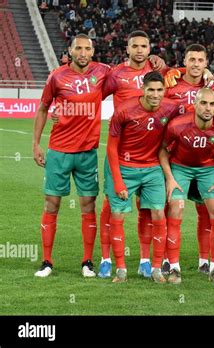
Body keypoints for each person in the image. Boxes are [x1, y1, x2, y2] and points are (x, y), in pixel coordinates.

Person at [32, 34, 110, 278]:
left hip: (87, 153)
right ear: (70, 51)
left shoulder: (103, 71)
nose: (83, 53)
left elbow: (132, 72)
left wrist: (157, 62)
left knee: (88, 205)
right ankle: (47, 261)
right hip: (58, 151)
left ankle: (87, 261)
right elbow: (44, 108)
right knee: (52, 204)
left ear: (93, 51)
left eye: (87, 48)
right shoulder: (57, 76)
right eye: (79, 48)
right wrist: (36, 144)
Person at [98, 30, 167, 279]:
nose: (139, 50)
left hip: (149, 155)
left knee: (147, 211)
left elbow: (180, 90)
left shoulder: (159, 71)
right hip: (121, 153)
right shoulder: (115, 74)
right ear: (127, 49)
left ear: (150, 49)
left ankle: (146, 261)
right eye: (134, 46)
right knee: (110, 208)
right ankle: (107, 259)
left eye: (144, 45)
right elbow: (95, 96)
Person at [105, 71, 180, 283]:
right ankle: (120, 269)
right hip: (125, 168)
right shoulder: (124, 111)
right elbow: (111, 148)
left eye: (159, 90)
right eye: (151, 90)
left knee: (158, 214)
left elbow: (194, 110)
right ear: (143, 89)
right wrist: (118, 180)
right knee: (117, 216)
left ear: (164, 91)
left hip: (152, 169)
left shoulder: (170, 107)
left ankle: (156, 268)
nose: (155, 94)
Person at [158, 88, 214, 284]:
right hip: (180, 168)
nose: (208, 108)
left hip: (208, 169)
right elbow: (162, 151)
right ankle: (174, 268)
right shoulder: (178, 125)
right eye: (203, 103)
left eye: (212, 104)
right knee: (175, 210)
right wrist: (170, 178)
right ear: (195, 103)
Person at [162, 44, 214, 275]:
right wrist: (172, 70)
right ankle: (167, 260)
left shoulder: (212, 88)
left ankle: (203, 262)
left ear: (206, 63)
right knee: (167, 209)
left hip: (205, 161)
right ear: (185, 61)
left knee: (205, 211)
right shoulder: (171, 82)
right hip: (175, 157)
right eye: (191, 60)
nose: (196, 64)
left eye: (201, 60)